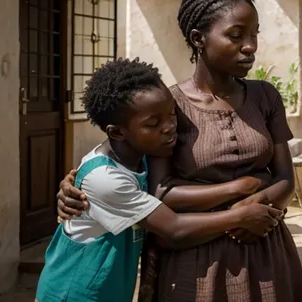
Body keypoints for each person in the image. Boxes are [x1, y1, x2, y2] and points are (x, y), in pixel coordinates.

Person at [56, 0, 302, 302]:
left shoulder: (265, 96)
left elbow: (286, 178)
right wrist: (243, 190)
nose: (250, 46)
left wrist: (258, 207)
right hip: (196, 258)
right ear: (198, 39)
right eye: (235, 35)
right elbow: (161, 191)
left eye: (254, 34)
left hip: (265, 244)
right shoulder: (168, 107)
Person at [36, 58, 283, 302]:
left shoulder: (141, 158)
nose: (169, 127)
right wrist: (240, 211)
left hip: (108, 288)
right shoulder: (105, 178)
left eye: (172, 115)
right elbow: (173, 229)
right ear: (117, 132)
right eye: (153, 123)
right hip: (72, 292)